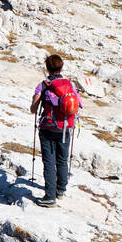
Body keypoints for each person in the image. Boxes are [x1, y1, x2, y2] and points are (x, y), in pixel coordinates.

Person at [30, 54, 82, 207]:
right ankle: (61, 190)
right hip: (66, 127)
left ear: (47, 68)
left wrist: (37, 102)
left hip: (48, 128)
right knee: (62, 158)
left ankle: (50, 196)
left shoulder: (43, 84)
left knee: (49, 161)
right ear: (61, 67)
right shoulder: (69, 84)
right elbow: (78, 104)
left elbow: (33, 109)